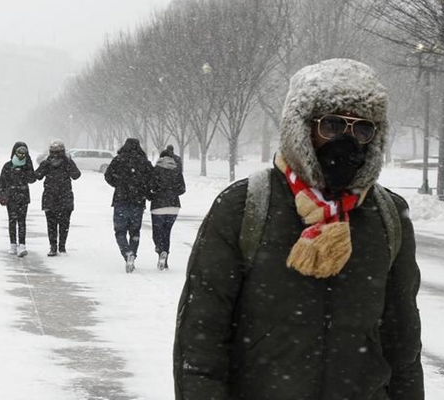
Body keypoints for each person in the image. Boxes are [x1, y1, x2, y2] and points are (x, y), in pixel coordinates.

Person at [173, 59, 424, 400]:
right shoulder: (245, 206)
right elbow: (200, 341)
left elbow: (403, 346)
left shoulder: (386, 216)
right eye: (333, 125)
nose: (348, 140)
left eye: (363, 129)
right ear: (302, 128)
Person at [104, 138, 154, 273]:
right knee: (135, 231)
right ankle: (132, 253)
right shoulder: (144, 163)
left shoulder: (118, 160)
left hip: (121, 199)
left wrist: (118, 184)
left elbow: (108, 175)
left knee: (120, 231)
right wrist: (143, 189)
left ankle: (127, 253)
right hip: (138, 201)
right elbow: (152, 179)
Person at [35, 140, 81, 256]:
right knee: (64, 224)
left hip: (50, 197)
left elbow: (37, 175)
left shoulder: (47, 163)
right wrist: (69, 161)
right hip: (64, 197)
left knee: (51, 225)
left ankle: (53, 247)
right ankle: (61, 247)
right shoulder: (66, 162)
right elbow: (76, 175)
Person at [0, 142, 37, 257]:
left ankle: (22, 245)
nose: (21, 154)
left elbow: (32, 179)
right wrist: (2, 196)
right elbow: (2, 182)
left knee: (22, 221)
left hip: (23, 197)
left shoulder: (27, 166)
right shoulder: (8, 166)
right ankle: (13, 245)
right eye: (19, 151)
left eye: (24, 152)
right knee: (12, 221)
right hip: (11, 198)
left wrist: (28, 166)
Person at [148, 149, 185, 270]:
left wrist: (154, 195)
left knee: (157, 233)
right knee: (166, 232)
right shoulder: (177, 170)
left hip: (158, 205)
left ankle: (160, 250)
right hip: (174, 206)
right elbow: (182, 189)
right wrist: (172, 193)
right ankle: (165, 257)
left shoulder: (156, 170)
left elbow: (150, 186)